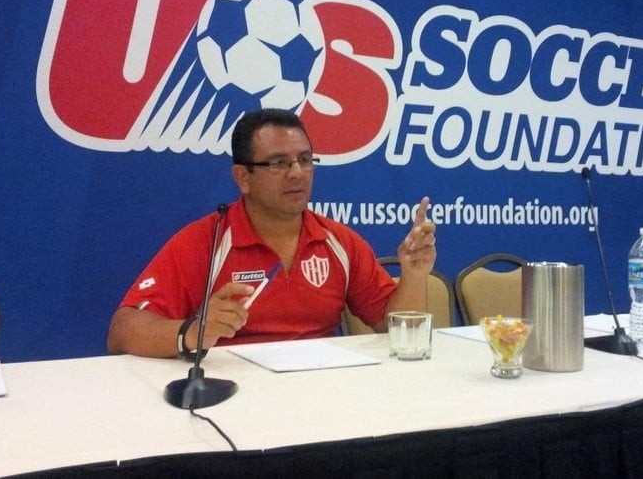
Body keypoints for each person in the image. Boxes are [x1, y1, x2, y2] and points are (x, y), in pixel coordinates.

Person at [107, 108, 436, 358]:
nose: (297, 173)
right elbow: (122, 331)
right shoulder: (206, 242)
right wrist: (192, 332)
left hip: (324, 399)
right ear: (243, 177)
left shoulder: (338, 242)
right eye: (278, 163)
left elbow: (397, 331)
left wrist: (414, 275)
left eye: (305, 160)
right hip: (233, 402)